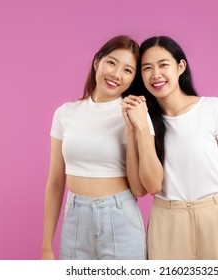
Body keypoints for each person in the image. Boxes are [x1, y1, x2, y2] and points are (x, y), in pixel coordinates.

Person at [122, 36, 218, 260]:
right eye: (147, 68)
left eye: (163, 65)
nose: (156, 75)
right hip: (168, 222)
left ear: (180, 66)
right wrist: (138, 129)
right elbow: (140, 188)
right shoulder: (142, 120)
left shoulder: (213, 108)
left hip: (216, 217)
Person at [41, 35, 162, 260]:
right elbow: (56, 182)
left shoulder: (135, 112)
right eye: (112, 62)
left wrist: (134, 128)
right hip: (75, 218)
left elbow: (140, 189)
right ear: (97, 62)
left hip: (120, 216)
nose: (116, 74)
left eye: (128, 70)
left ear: (133, 77)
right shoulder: (65, 113)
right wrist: (46, 245)